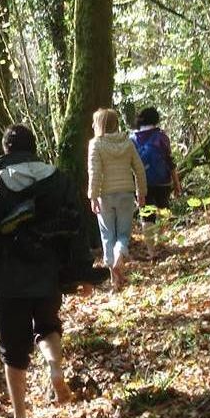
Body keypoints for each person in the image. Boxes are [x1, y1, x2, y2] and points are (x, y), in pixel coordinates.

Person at [0, 124, 83, 418]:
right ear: (33, 147)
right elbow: (76, 228)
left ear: (6, 150)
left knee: (12, 350)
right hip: (49, 273)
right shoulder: (58, 179)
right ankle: (54, 367)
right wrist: (81, 272)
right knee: (48, 326)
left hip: (10, 280)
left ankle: (20, 417)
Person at [87, 108, 146, 289]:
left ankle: (114, 279)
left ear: (99, 125)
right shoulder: (127, 142)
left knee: (107, 236)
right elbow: (139, 168)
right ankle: (120, 257)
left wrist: (93, 195)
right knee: (123, 234)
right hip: (126, 194)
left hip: (105, 196)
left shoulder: (95, 144)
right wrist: (141, 192)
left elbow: (94, 172)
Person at [131, 106, 182, 219]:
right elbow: (170, 162)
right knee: (164, 212)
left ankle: (149, 235)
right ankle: (166, 234)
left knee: (146, 216)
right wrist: (177, 184)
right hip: (162, 182)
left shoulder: (132, 139)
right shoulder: (161, 137)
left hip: (141, 184)